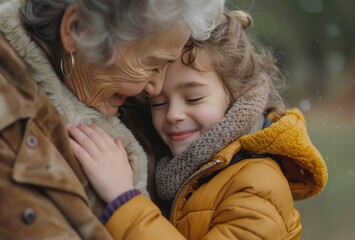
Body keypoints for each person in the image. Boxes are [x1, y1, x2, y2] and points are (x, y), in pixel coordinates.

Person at [67, 10, 328, 239]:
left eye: (193, 98)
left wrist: (124, 198)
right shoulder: (185, 172)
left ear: (237, 96)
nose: (173, 115)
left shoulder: (259, 184)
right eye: (158, 104)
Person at [0, 0, 225, 238]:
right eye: (152, 64)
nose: (155, 88)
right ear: (77, 29)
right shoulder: (10, 124)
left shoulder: (131, 102)